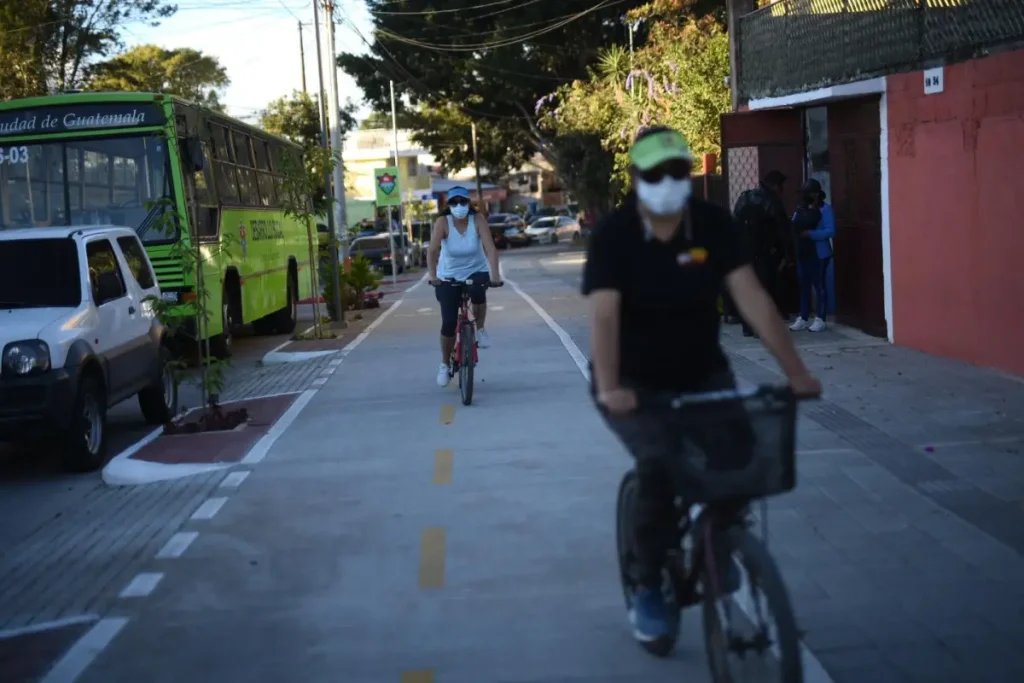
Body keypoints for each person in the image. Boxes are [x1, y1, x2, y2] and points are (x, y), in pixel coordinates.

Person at [581, 126, 822, 645]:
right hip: (631, 379)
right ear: (636, 178)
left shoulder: (712, 225)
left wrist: (795, 371)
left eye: (677, 171)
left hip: (702, 371)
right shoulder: (615, 235)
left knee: (739, 461)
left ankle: (722, 543)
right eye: (655, 173)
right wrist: (610, 386)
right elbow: (604, 316)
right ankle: (648, 587)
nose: (668, 181)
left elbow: (753, 299)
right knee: (658, 469)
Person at [427, 186, 503, 387]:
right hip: (448, 275)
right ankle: (444, 365)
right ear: (448, 205)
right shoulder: (443, 222)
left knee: (478, 292)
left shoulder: (477, 220)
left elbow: (490, 249)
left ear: (469, 204)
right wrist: (433, 276)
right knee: (449, 322)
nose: (459, 206)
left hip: (475, 269)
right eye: (454, 202)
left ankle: (481, 328)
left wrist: (495, 276)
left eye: (463, 202)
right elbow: (433, 250)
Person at [730, 170, 792, 337]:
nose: (782, 190)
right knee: (765, 290)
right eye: (781, 186)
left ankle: (748, 326)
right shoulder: (772, 201)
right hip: (765, 254)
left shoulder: (745, 197)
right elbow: (783, 230)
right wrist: (788, 254)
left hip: (744, 252)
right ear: (775, 185)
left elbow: (735, 222)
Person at [789, 179, 835, 332]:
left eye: (808, 193)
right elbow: (793, 223)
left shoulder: (825, 209)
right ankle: (803, 317)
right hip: (803, 252)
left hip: (819, 253)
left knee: (819, 285)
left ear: (816, 194)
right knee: (804, 285)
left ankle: (820, 318)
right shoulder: (800, 209)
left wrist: (811, 234)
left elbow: (830, 230)